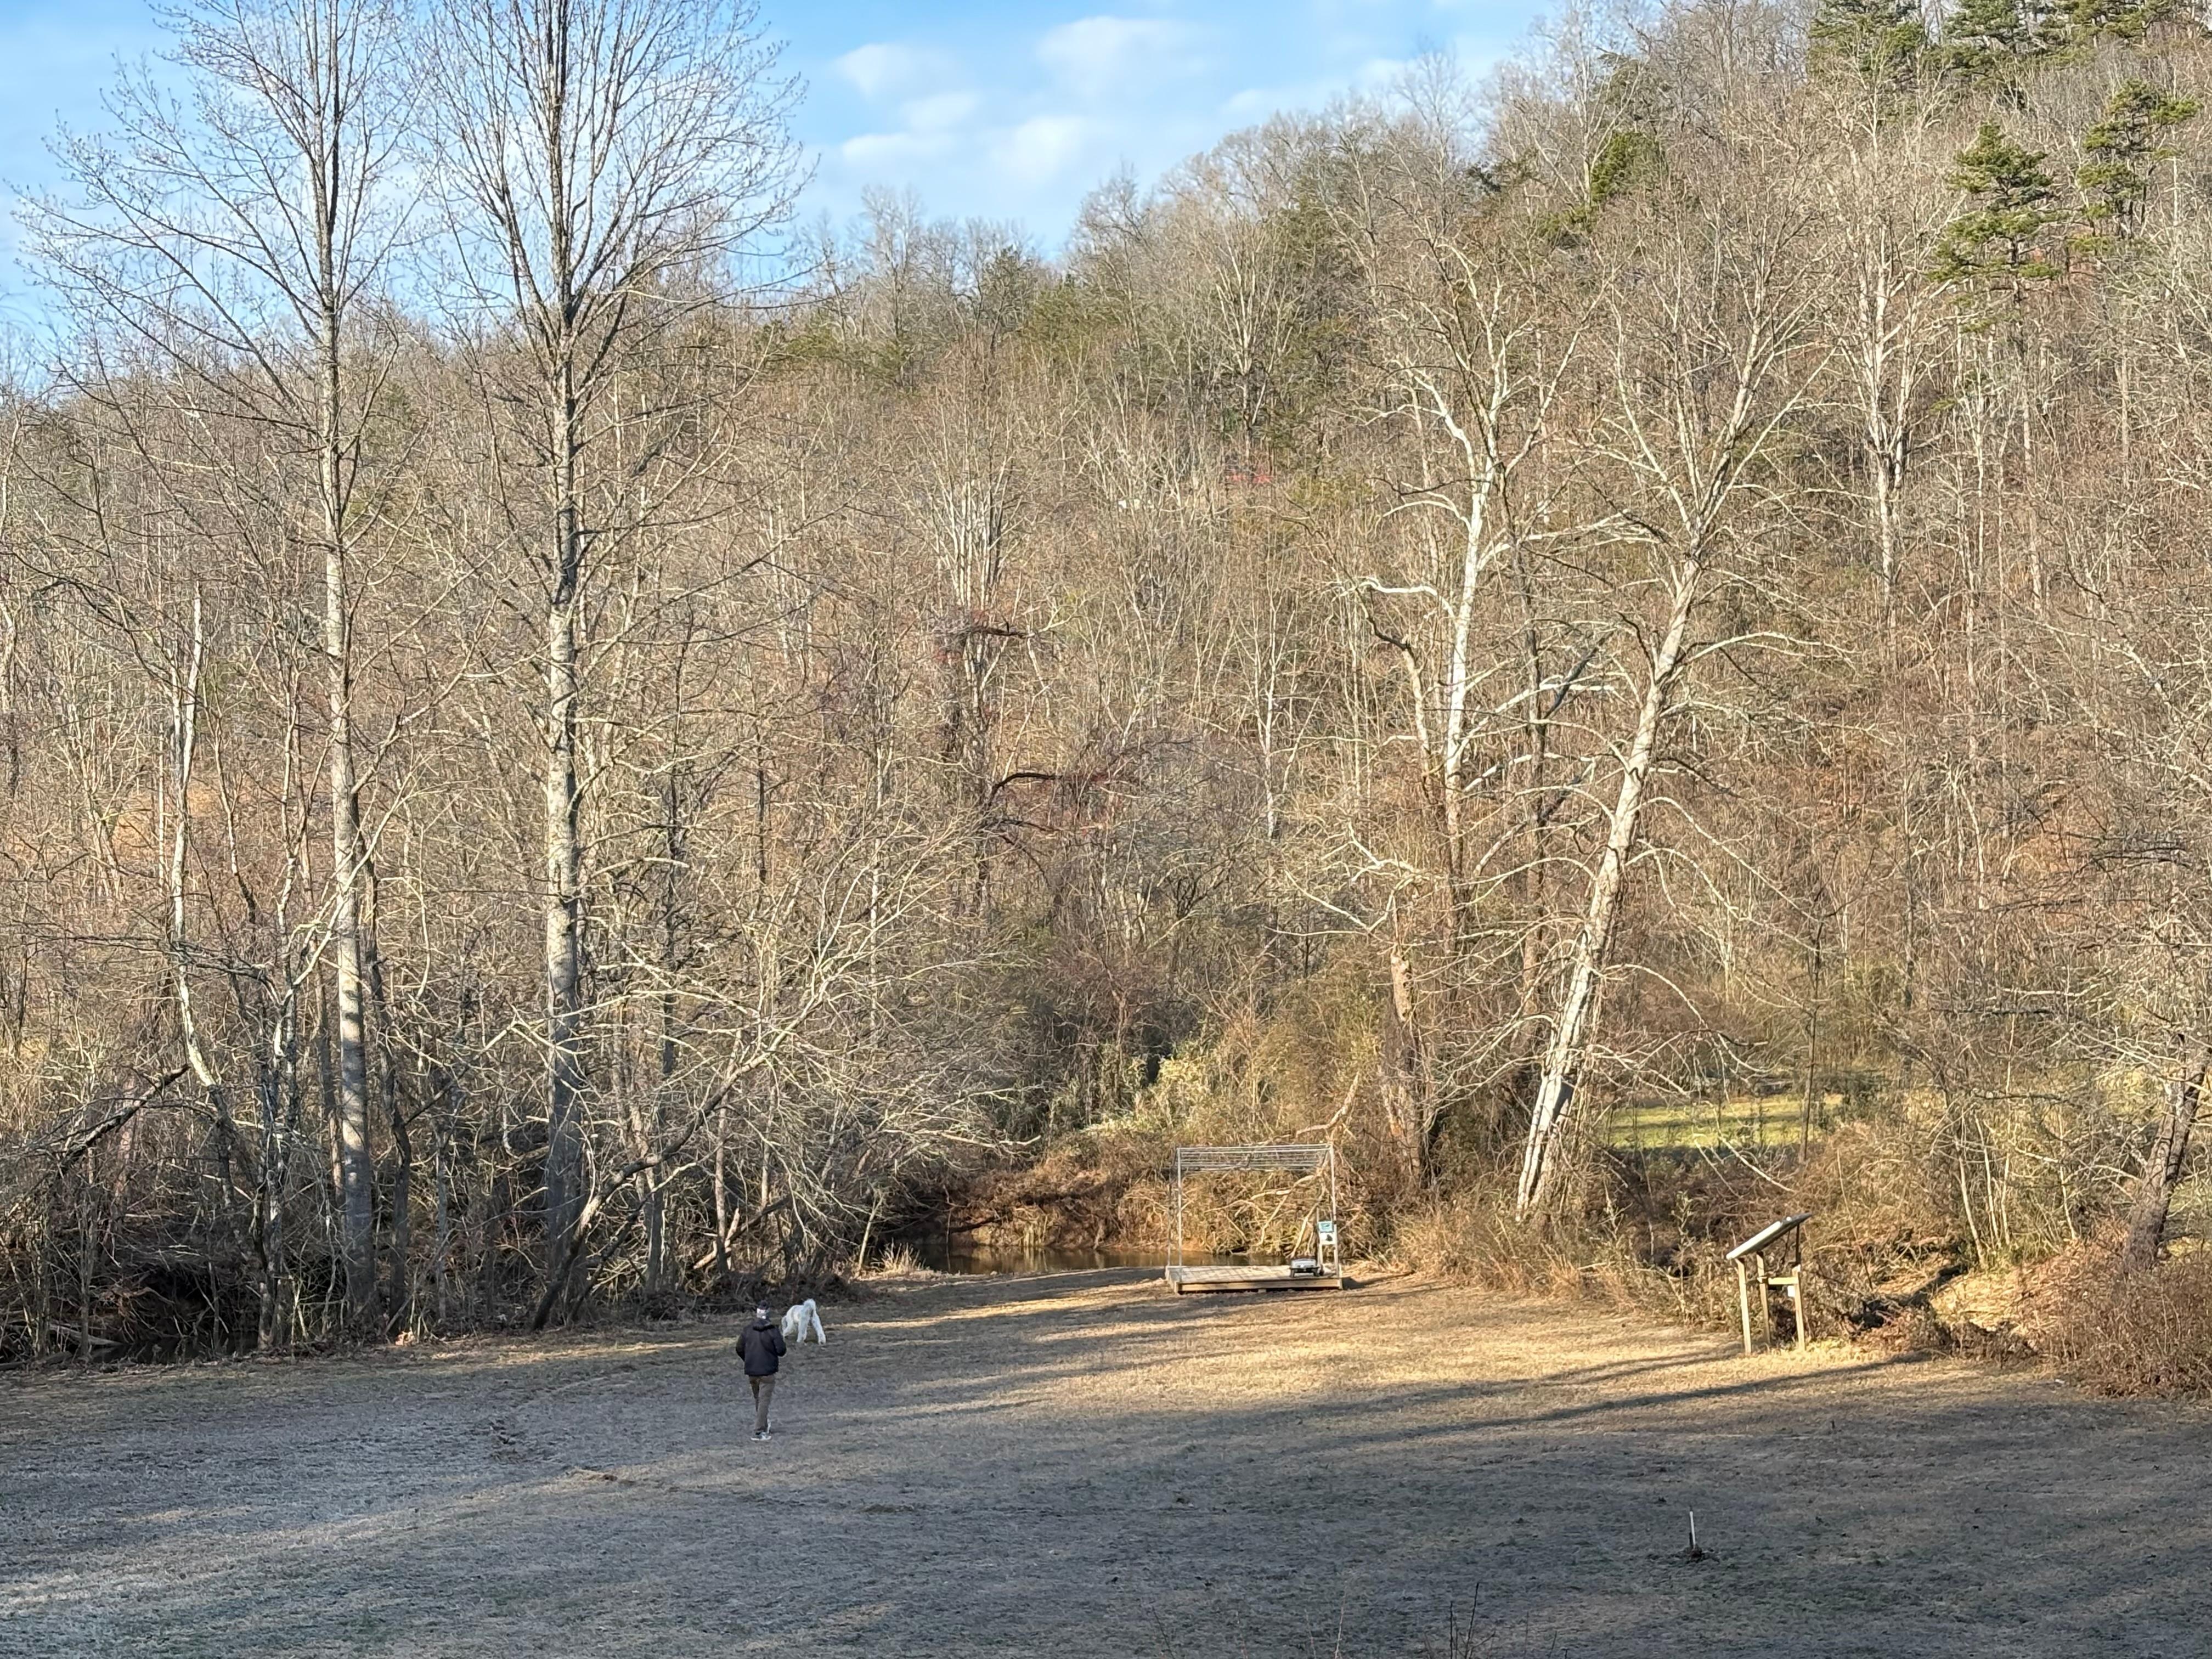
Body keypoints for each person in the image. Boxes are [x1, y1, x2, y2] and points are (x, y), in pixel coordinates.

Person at [737, 1302, 787, 1441]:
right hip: (768, 1372)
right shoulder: (773, 1331)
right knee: (764, 1401)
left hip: (752, 1371)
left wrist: (748, 1360)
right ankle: (759, 1432)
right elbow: (781, 1351)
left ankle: (764, 1425)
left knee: (758, 1399)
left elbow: (739, 1348)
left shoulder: (747, 1330)